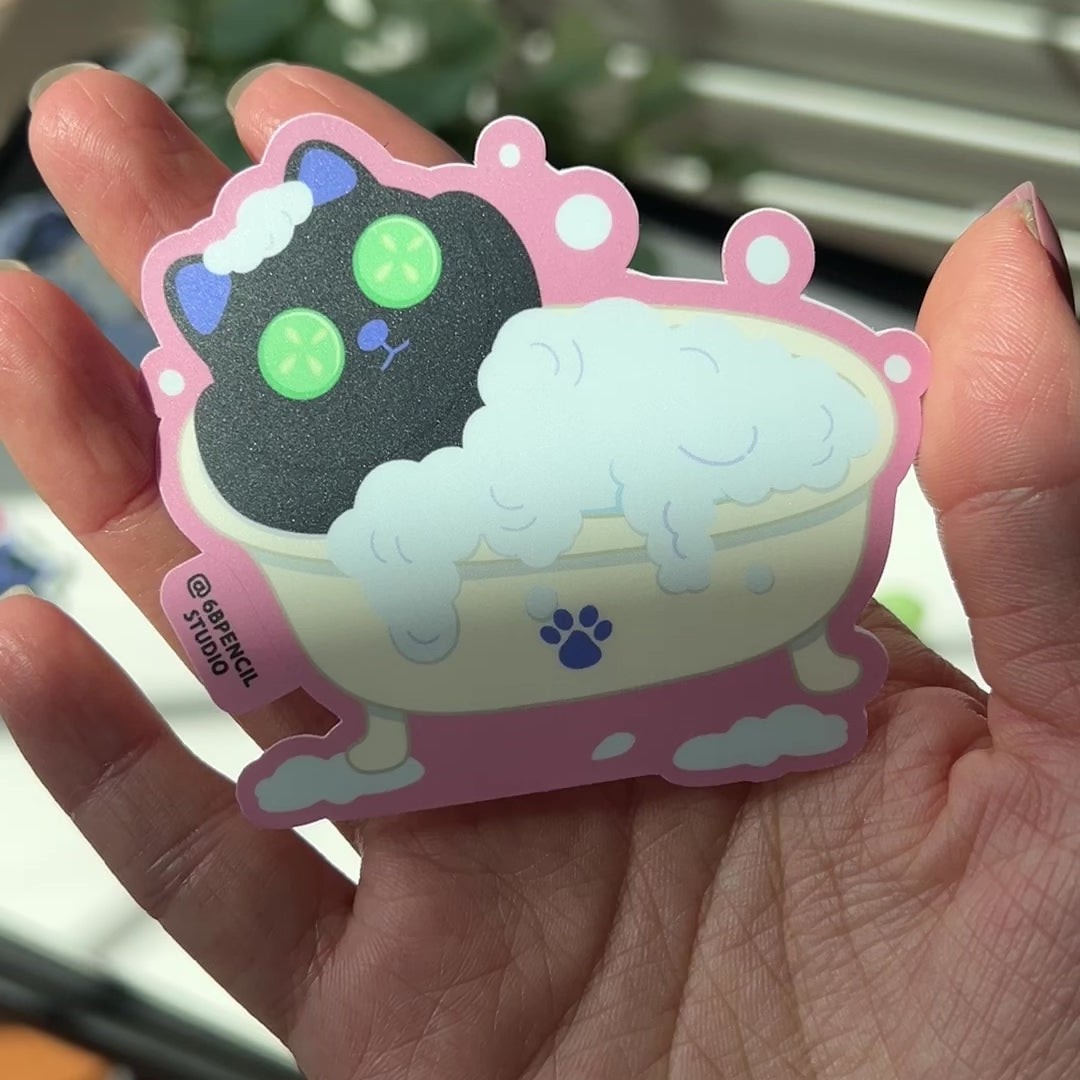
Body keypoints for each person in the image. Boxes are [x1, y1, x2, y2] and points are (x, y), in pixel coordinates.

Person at [0, 61, 1077, 1080]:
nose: (370, 336)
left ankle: (748, 672)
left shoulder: (585, 372)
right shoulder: (364, 525)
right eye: (302, 355)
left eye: (394, 265)